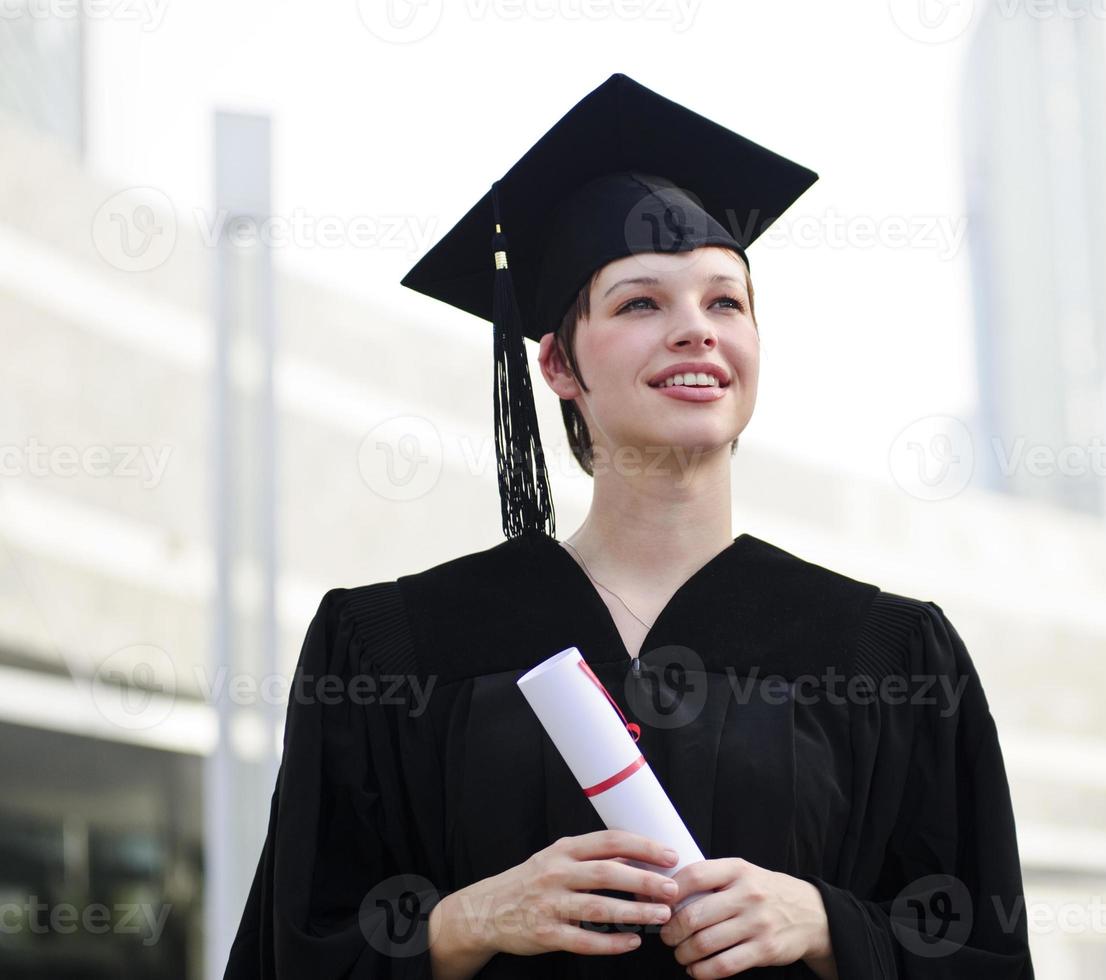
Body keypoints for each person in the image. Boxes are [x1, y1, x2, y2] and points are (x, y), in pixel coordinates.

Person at [224, 72, 1034, 980]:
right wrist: (463, 922)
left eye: (725, 301)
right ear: (558, 365)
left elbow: (981, 954)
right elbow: (290, 953)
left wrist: (827, 924)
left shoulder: (887, 654)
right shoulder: (392, 648)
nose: (695, 330)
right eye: (640, 302)